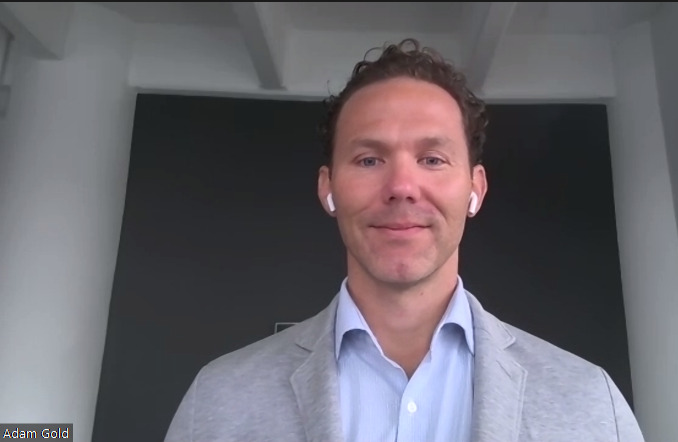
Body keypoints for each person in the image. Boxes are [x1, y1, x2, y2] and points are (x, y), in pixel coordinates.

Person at [164, 39, 646, 442]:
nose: (401, 186)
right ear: (328, 188)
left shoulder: (590, 402)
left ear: (475, 189)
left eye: (432, 159)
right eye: (369, 160)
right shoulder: (219, 400)